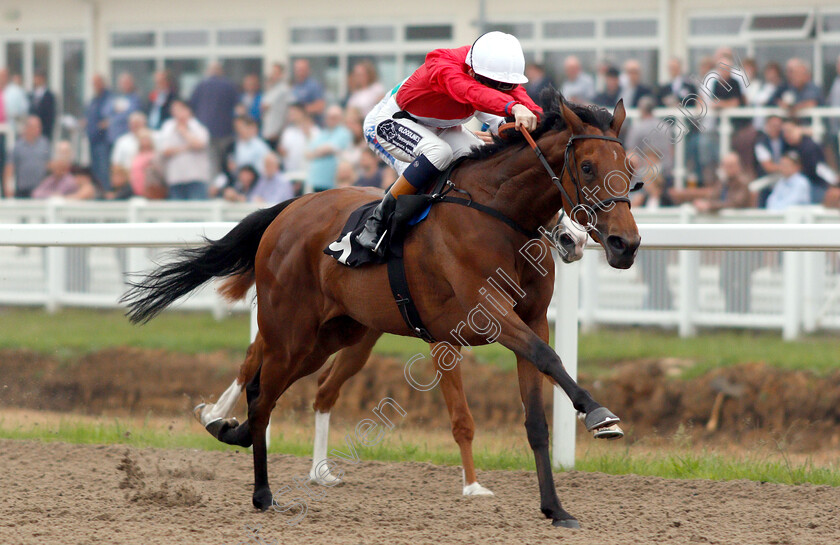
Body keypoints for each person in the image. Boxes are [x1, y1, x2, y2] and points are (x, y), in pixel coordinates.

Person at [358, 31, 541, 254]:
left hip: (437, 126)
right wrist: (512, 107)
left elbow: (524, 103)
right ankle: (377, 222)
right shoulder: (444, 65)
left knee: (478, 153)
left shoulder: (488, 73)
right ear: (472, 71)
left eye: (503, 86)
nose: (497, 90)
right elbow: (473, 92)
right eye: (493, 84)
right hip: (389, 123)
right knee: (438, 153)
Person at [190, 62, 239, 176]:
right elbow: (237, 108)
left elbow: (192, 106)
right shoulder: (229, 86)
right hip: (226, 131)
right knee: (226, 160)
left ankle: (214, 186)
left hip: (206, 130)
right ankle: (225, 183)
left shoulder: (200, 86)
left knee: (212, 161)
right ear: (221, 72)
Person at [158, 100, 211, 200]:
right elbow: (165, 150)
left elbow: (199, 144)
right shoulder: (168, 127)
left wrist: (184, 132)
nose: (176, 113)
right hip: (175, 177)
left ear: (187, 110)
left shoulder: (198, 127)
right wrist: (186, 147)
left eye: (179, 110)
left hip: (195, 177)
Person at [782, 120, 836, 204]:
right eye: (784, 132)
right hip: (795, 184)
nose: (787, 135)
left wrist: (832, 180)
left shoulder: (809, 146)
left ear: (799, 129)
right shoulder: (787, 147)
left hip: (815, 184)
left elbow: (820, 168)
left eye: (790, 131)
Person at [305, 104, 352, 192]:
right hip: (317, 180)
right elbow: (308, 154)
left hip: (333, 182)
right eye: (329, 117)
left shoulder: (343, 132)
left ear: (340, 118)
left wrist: (318, 152)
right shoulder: (322, 133)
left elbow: (328, 149)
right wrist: (320, 152)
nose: (331, 119)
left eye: (334, 117)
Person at [3, 115, 50, 198]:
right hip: (22, 191)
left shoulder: (45, 144)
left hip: (41, 190)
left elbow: (50, 164)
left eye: (39, 126)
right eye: (35, 127)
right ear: (27, 127)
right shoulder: (17, 146)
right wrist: (8, 188)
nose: (38, 129)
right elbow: (9, 168)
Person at [278, 102, 319, 178]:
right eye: (290, 113)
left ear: (302, 113)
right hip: (290, 174)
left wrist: (308, 135)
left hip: (307, 175)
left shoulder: (314, 131)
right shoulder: (287, 132)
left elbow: (316, 150)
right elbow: (284, 153)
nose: (291, 115)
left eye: (294, 112)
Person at [85, 74, 112, 189]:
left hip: (103, 140)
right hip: (93, 140)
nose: (95, 86)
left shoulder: (109, 98)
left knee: (103, 170)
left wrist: (105, 123)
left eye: (96, 83)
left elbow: (110, 117)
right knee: (95, 170)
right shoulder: (94, 100)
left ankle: (106, 192)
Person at [106, 73, 141, 154]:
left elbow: (131, 114)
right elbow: (107, 111)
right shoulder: (115, 97)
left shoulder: (135, 98)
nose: (125, 85)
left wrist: (117, 112)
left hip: (126, 136)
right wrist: (117, 109)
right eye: (123, 83)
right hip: (113, 137)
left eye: (127, 83)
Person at [260, 63, 290, 148]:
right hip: (267, 131)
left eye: (276, 73)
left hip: (275, 133)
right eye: (272, 72)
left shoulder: (283, 89)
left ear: (281, 74)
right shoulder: (272, 89)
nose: (272, 75)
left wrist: (279, 131)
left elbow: (265, 106)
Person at [28, 71, 56, 140]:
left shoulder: (49, 96)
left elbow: (50, 115)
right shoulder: (31, 95)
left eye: (37, 78)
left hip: (44, 131)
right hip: (32, 133)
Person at [129, 129, 155, 197]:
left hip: (148, 188)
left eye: (146, 139)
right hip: (135, 187)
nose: (144, 141)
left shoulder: (153, 155)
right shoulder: (136, 156)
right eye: (142, 139)